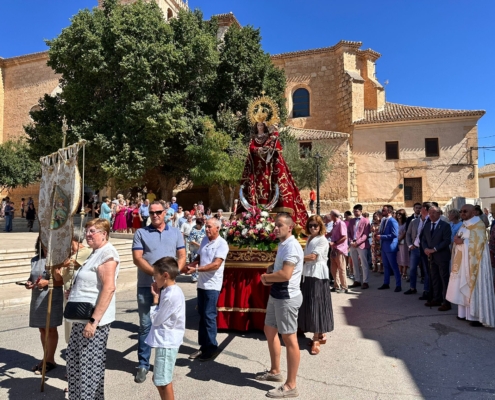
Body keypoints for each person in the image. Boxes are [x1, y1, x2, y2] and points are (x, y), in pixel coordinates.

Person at [66, 219, 120, 399]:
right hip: (80, 318)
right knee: (74, 364)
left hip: (93, 321)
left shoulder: (108, 254)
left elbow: (109, 288)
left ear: (104, 234)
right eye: (87, 231)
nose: (88, 234)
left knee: (88, 370)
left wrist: (93, 321)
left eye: (93, 231)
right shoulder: (95, 252)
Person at [132, 201, 186, 383]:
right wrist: (157, 277)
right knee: (146, 325)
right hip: (147, 286)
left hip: (169, 287)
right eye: (151, 213)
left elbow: (182, 255)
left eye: (158, 212)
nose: (155, 215)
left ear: (166, 213)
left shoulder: (176, 232)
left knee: (168, 324)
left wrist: (170, 276)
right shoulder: (141, 233)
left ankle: (164, 363)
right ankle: (143, 364)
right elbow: (138, 259)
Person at [255, 213, 303, 398]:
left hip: (287, 297)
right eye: (275, 225)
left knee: (290, 339)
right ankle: (275, 372)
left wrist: (266, 278)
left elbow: (285, 275)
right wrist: (271, 268)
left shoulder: (291, 246)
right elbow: (280, 269)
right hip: (277, 295)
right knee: (269, 330)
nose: (275, 228)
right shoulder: (283, 244)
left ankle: (291, 385)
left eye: (280, 225)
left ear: (290, 227)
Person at [236, 120, 308, 227]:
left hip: (267, 170)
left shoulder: (269, 138)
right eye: (258, 125)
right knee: (253, 189)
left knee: (273, 187)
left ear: (265, 127)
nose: (260, 127)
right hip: (255, 171)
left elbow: (276, 149)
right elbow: (251, 149)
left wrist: (274, 137)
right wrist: (259, 150)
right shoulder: (253, 139)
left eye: (262, 125)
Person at [185, 218, 229, 362]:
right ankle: (203, 346)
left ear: (218, 228)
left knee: (209, 316)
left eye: (209, 227)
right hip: (202, 284)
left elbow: (216, 265)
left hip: (212, 285)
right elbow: (199, 256)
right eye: (206, 226)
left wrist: (196, 269)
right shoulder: (204, 240)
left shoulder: (222, 244)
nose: (207, 229)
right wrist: (191, 265)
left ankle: (211, 348)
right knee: (202, 315)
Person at [446, 204, 495, 327]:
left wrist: (462, 242)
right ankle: (463, 313)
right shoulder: (464, 224)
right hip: (463, 262)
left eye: (465, 211)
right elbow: (460, 238)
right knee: (461, 284)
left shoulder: (478, 225)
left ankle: (476, 316)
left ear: (473, 213)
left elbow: (479, 244)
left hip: (475, 264)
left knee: (473, 287)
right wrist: (458, 241)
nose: (462, 213)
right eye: (461, 211)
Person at [146, 257, 185, 400]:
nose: (154, 279)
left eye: (155, 275)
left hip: (166, 341)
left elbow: (156, 320)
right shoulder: (170, 291)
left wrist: (155, 300)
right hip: (165, 340)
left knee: (162, 382)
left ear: (165, 275)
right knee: (159, 379)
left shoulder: (170, 295)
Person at [26, 237, 64, 375]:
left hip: (52, 297)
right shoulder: (35, 259)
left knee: (51, 329)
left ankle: (49, 360)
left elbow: (63, 280)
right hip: (37, 297)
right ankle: (46, 358)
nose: (46, 246)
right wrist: (29, 283)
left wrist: (47, 282)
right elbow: (32, 277)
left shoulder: (59, 259)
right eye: (44, 243)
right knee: (42, 329)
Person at [298, 215, 333, 356]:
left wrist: (296, 257)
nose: (313, 228)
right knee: (310, 304)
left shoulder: (322, 240)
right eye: (311, 225)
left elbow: (313, 257)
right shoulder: (310, 239)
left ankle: (316, 339)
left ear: (320, 227)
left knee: (316, 305)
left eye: (316, 226)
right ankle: (320, 333)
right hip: (308, 273)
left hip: (318, 274)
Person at [421, 206, 452, 311]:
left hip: (441, 256)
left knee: (444, 278)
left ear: (439, 213)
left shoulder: (445, 226)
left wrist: (434, 249)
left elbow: (447, 240)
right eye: (430, 213)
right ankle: (436, 298)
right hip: (431, 257)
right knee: (434, 278)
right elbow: (423, 239)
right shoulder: (427, 225)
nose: (431, 215)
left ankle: (446, 302)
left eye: (434, 212)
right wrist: (425, 249)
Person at [376, 205, 401, 292]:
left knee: (394, 266)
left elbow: (394, 234)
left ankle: (398, 285)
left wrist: (382, 236)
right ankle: (386, 283)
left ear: (389, 211)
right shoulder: (384, 220)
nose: (382, 211)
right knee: (386, 266)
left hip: (390, 247)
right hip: (384, 246)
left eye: (384, 210)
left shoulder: (393, 221)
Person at [348, 204, 371, 289]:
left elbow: (366, 234)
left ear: (361, 211)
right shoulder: (351, 221)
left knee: (364, 264)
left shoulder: (366, 221)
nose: (354, 212)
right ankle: (357, 280)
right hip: (352, 244)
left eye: (356, 211)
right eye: (354, 211)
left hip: (361, 244)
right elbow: (349, 232)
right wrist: (351, 241)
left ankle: (365, 281)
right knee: (354, 263)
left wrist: (357, 242)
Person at [329, 210, 349, 293]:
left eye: (331, 215)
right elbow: (332, 233)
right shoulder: (334, 224)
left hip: (339, 249)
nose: (330, 216)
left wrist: (335, 242)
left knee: (341, 268)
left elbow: (344, 236)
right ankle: (336, 285)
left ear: (333, 215)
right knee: (333, 268)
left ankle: (344, 287)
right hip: (334, 248)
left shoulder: (341, 223)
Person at [188, 218, 206, 283]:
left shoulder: (203, 230)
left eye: (202, 225)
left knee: (201, 262)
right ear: (197, 224)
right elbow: (191, 240)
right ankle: (194, 277)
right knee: (195, 262)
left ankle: (200, 276)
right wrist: (199, 245)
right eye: (200, 225)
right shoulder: (193, 230)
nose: (201, 226)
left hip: (202, 249)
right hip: (195, 249)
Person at [396, 209, 410, 280]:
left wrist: (399, 239)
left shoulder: (405, 223)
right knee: (399, 256)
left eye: (400, 214)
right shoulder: (396, 223)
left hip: (404, 242)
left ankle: (405, 272)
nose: (398, 215)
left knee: (404, 256)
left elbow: (405, 232)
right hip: (396, 242)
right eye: (397, 213)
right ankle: (400, 271)